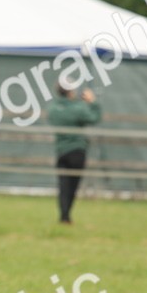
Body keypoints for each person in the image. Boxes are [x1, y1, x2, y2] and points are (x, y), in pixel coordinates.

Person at [47, 83, 101, 224]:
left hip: (61, 151)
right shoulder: (78, 108)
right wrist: (93, 102)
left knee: (63, 185)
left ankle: (64, 215)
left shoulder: (53, 108)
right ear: (70, 92)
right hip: (77, 151)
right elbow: (94, 118)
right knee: (73, 185)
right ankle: (66, 215)